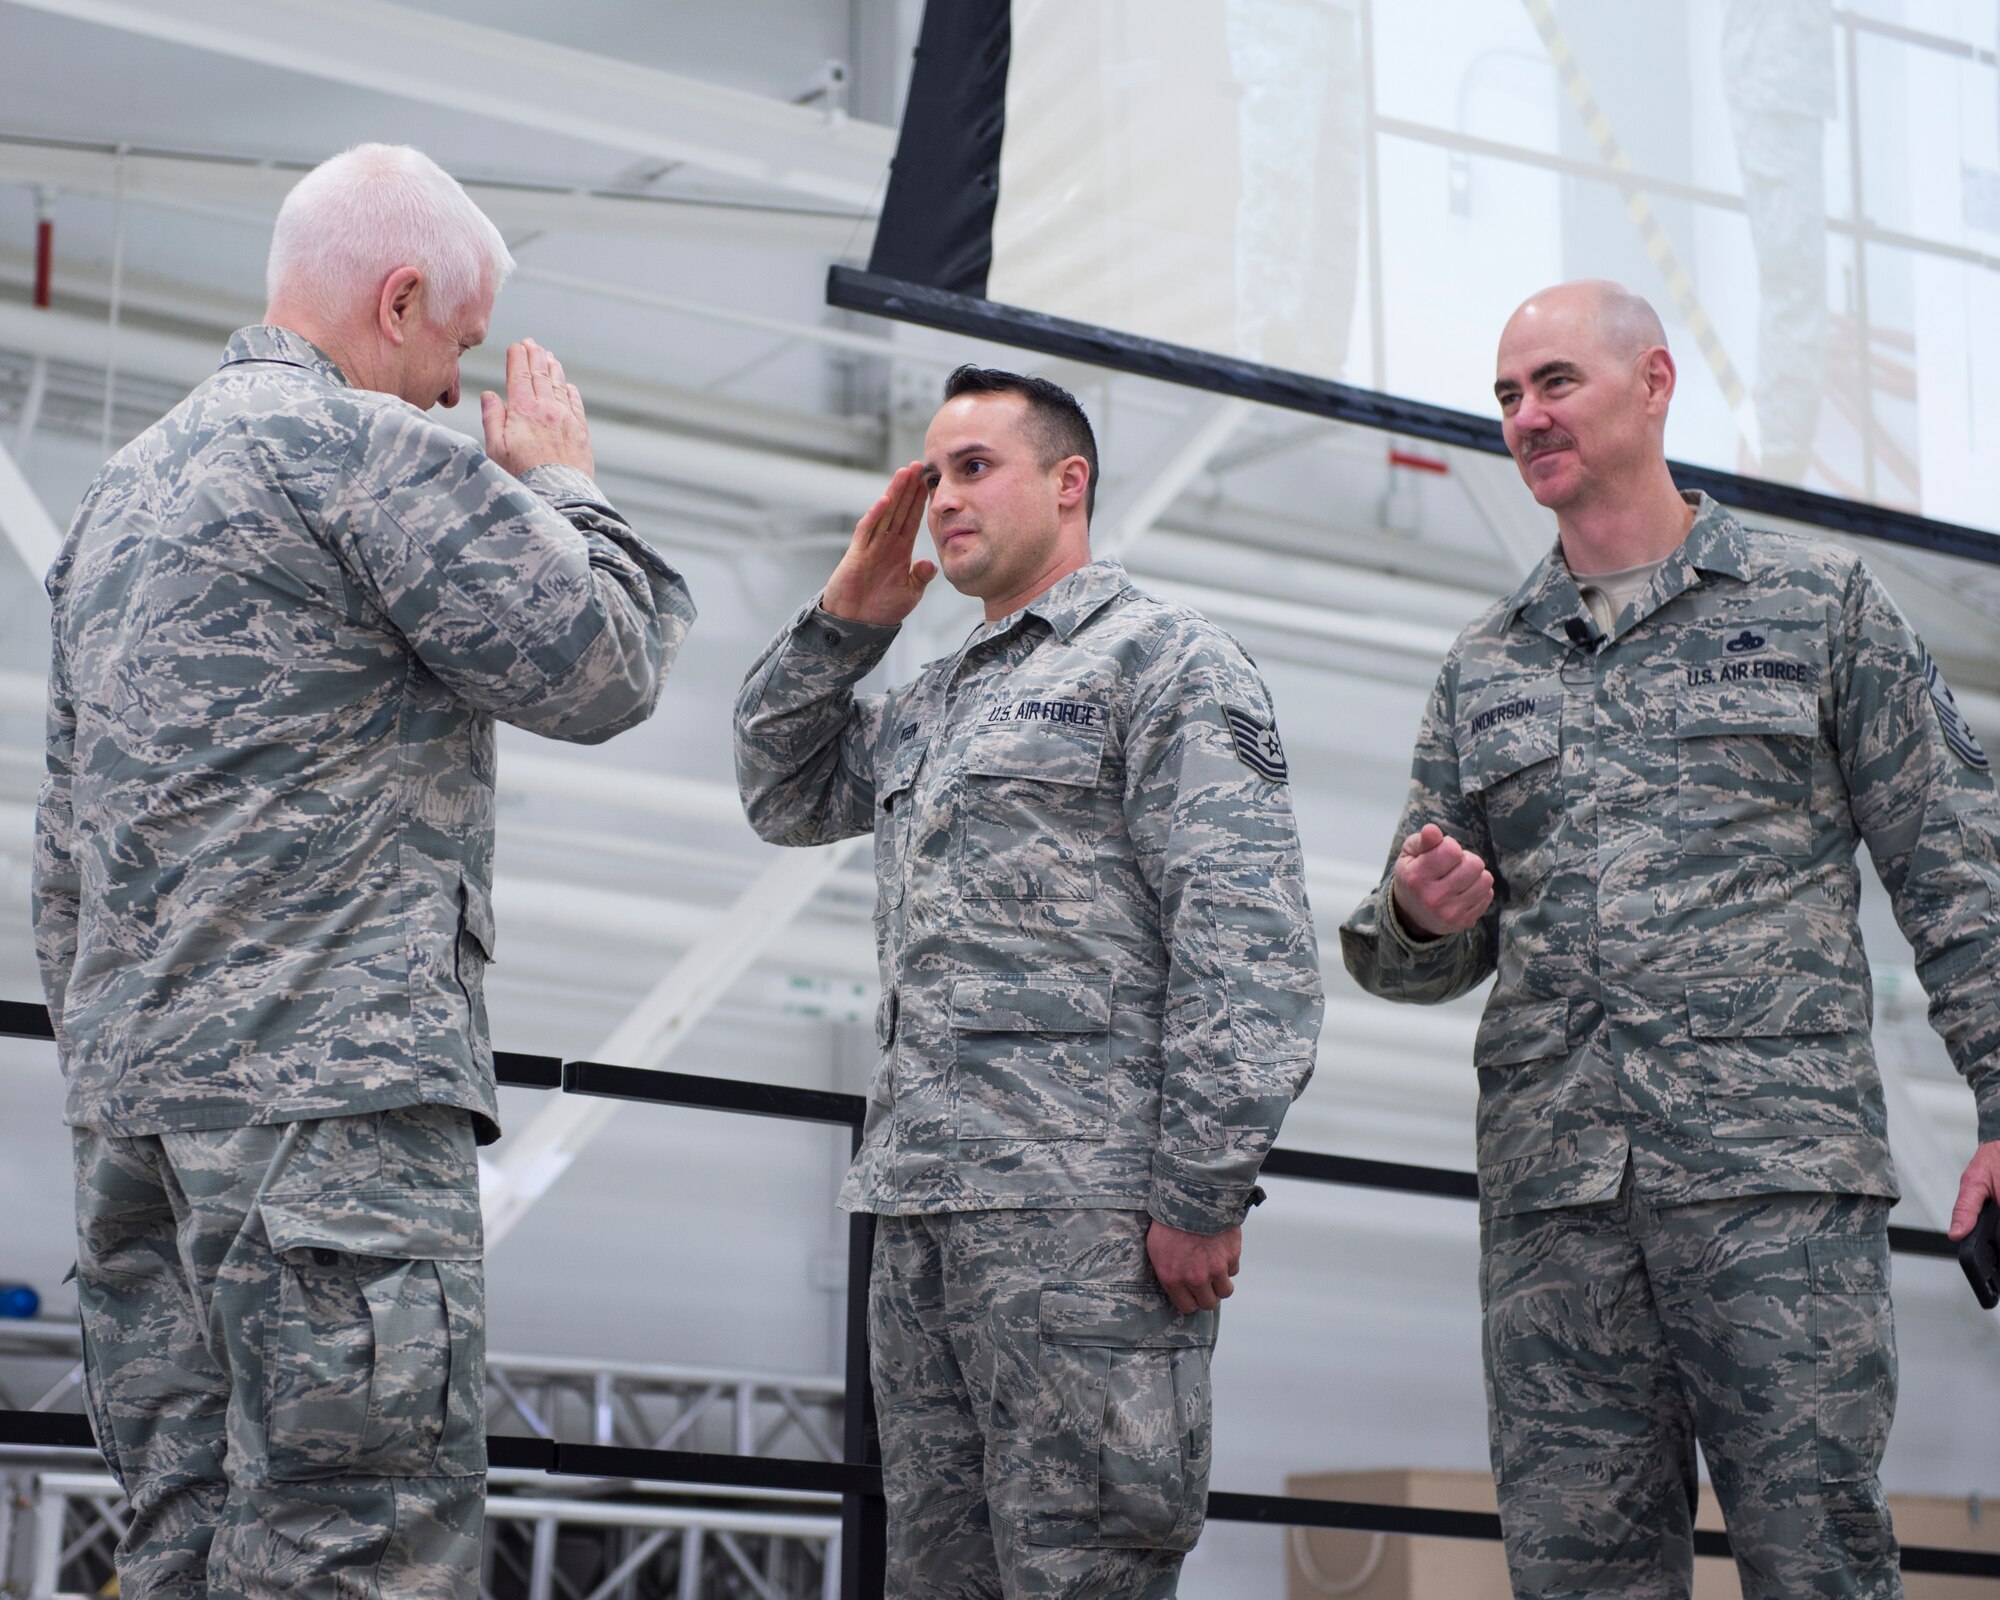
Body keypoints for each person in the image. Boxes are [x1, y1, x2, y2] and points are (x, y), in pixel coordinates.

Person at [32, 143, 695, 1600]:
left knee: (179, 1546)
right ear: (400, 299)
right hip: (326, 1129)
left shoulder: (117, 504)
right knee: (361, 1550)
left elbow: (64, 865)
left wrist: (124, 1075)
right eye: (456, 345)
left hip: (136, 1140)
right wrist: (568, 486)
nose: (458, 392)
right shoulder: (361, 453)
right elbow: (605, 661)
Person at [1340, 279, 2000, 1600]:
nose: (1527, 416)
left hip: (1774, 1190)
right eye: (1509, 396)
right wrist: (1423, 914)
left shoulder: (1822, 608)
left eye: (1557, 383)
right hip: (1559, 1216)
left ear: (1656, 383)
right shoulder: (1488, 665)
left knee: (1818, 1562)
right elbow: (1401, 945)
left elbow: (1958, 866)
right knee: (1577, 1579)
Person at [734, 365, 1323, 1597]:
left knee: (1083, 1570)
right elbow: (780, 788)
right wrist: (847, 618)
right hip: (924, 1216)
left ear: (1069, 484)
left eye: (974, 467)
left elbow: (1244, 940)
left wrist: (1200, 1188)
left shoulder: (1161, 663)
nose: (943, 498)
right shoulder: (932, 701)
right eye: (933, 473)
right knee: (936, 1577)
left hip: (1087, 1220)